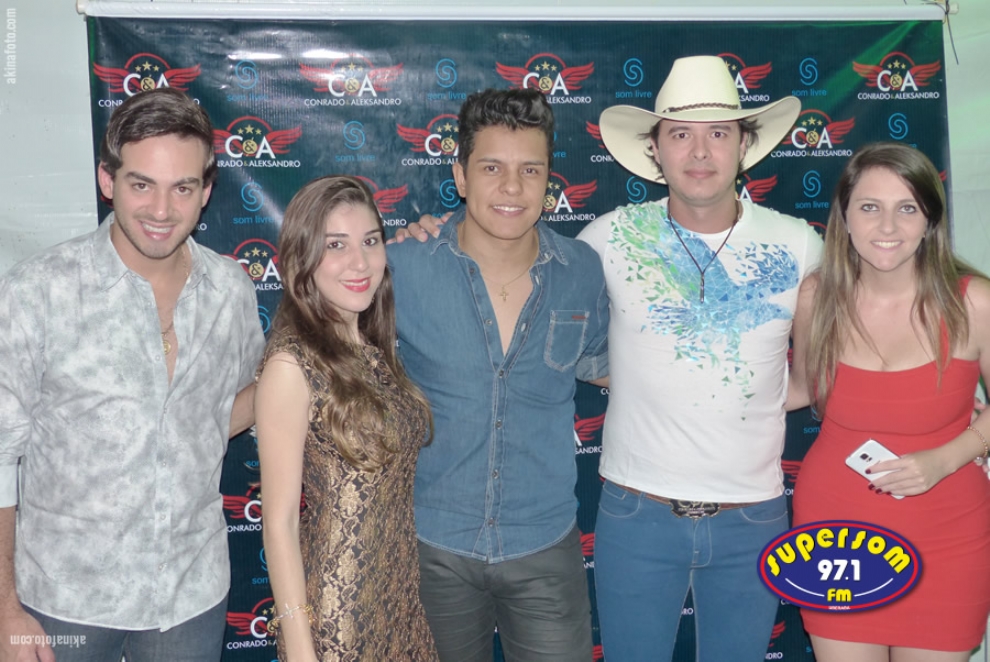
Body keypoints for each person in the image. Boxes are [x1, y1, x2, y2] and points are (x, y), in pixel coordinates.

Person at [0, 86, 264, 662]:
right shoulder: (37, 292)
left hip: (190, 595)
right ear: (107, 180)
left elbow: (233, 406)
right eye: (142, 184)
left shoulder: (231, 291)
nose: (161, 211)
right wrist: (3, 607)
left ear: (206, 192)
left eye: (182, 187)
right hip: (61, 600)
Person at [577, 54, 822, 662]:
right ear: (655, 149)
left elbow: (818, 374)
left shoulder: (798, 244)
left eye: (718, 133)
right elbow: (557, 337)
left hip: (752, 518)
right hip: (636, 512)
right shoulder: (608, 238)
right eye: (681, 134)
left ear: (744, 144)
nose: (700, 152)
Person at [387, 88, 609, 662]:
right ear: (461, 177)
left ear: (548, 180)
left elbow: (607, 365)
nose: (512, 188)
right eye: (492, 168)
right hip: (433, 547)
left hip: (545, 546)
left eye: (529, 170)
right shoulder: (402, 267)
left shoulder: (581, 270)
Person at [788, 142, 990, 661]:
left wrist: (946, 458)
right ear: (844, 216)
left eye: (907, 208)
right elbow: (801, 388)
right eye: (870, 207)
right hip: (835, 535)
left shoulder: (974, 302)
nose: (888, 226)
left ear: (930, 220)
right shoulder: (817, 297)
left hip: (949, 535)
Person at [255, 175, 437, 662]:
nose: (360, 262)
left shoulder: (372, 349)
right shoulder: (291, 365)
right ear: (303, 258)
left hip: (399, 603)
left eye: (370, 241)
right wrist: (301, 647)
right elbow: (279, 523)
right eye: (336, 245)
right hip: (339, 617)